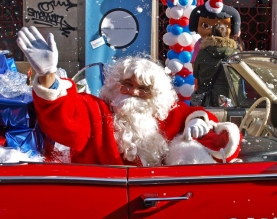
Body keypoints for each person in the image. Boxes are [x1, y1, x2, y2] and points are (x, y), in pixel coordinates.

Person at [16, 26, 242, 166]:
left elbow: (221, 147)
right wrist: (48, 75)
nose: (134, 92)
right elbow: (65, 120)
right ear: (115, 86)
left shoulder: (171, 117)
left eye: (143, 89)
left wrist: (201, 123)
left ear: (155, 96)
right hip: (104, 206)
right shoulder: (97, 112)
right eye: (127, 85)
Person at [193, 23, 240, 107]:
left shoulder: (203, 52)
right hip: (229, 99)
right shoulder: (235, 53)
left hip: (207, 99)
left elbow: (196, 73)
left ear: (212, 35)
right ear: (227, 35)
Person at [189, 0, 241, 64]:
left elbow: (195, 65)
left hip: (205, 74)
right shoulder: (232, 46)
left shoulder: (200, 45)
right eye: (206, 25)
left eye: (223, 26)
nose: (212, 30)